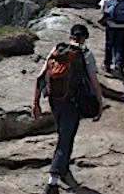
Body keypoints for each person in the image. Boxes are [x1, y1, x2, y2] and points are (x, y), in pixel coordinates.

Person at [32, 24, 104, 194]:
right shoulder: (85, 54)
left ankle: (64, 169)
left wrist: (35, 103)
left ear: (70, 36)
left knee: (64, 134)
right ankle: (53, 181)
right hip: (72, 102)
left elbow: (40, 77)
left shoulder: (57, 50)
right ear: (85, 37)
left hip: (54, 100)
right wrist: (100, 104)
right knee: (66, 138)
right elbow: (94, 82)